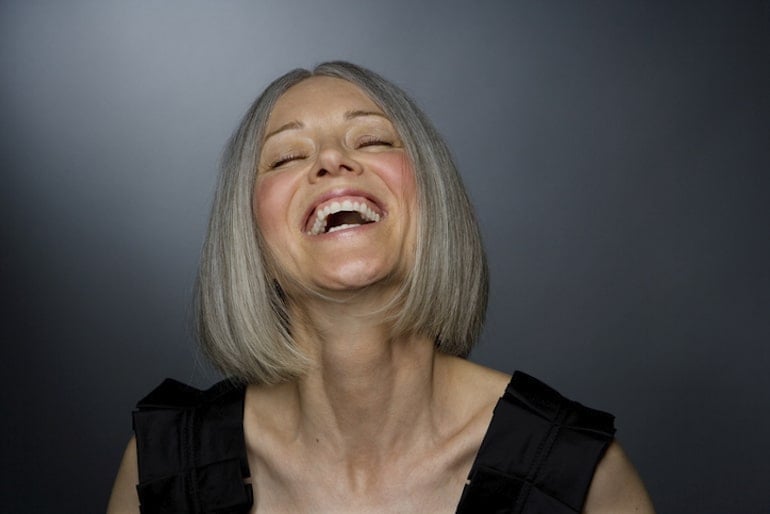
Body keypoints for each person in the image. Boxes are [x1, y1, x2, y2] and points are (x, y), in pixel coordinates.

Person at [107, 61, 655, 513]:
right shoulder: (162, 470)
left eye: (371, 140)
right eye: (288, 156)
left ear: (431, 203)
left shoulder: (578, 472)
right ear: (249, 237)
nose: (331, 161)